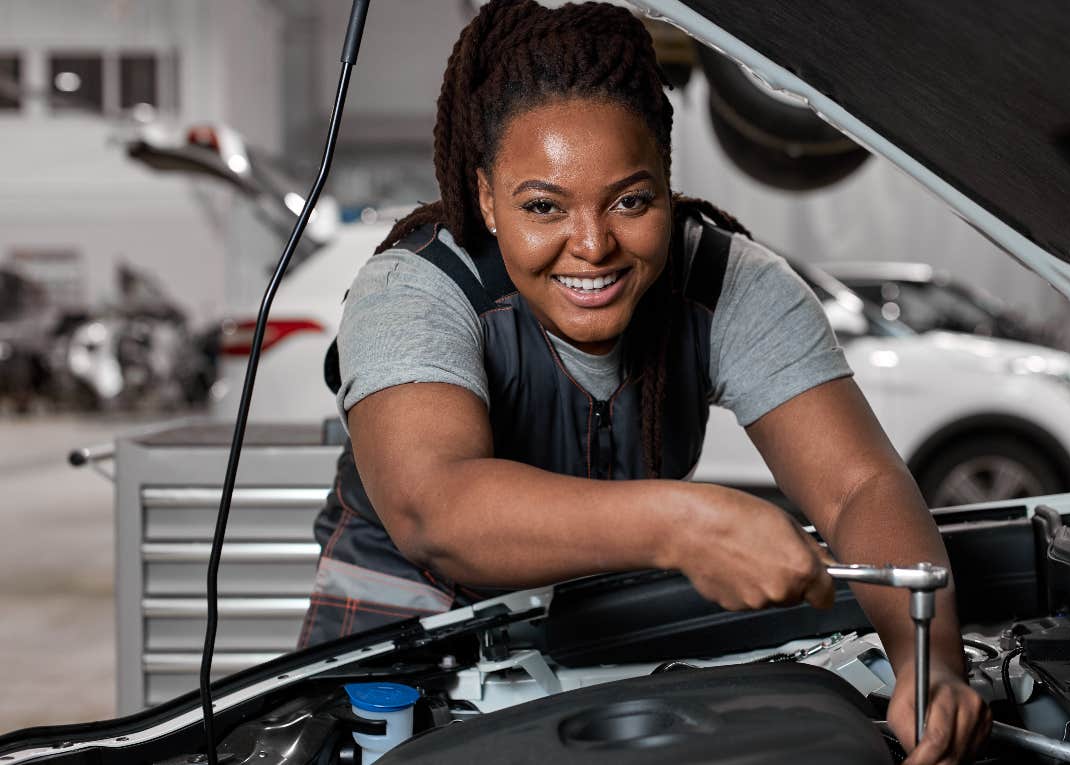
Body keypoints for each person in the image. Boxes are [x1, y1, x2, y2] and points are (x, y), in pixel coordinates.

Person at [298, 1, 989, 760]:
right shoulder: (416, 289)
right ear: (488, 197)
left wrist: (932, 665)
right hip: (387, 674)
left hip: (582, 661)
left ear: (666, 179)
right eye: (542, 206)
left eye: (630, 200)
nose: (592, 245)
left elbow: (859, 485)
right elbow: (437, 509)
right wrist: (687, 524)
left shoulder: (731, 284)